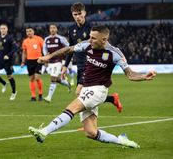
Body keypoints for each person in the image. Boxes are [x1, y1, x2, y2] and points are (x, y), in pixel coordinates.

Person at [29, 25, 157, 148]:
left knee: (72, 108)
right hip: (86, 88)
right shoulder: (87, 45)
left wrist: (144, 76)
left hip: (98, 90)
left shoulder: (114, 53)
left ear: (104, 40)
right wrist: (49, 57)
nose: (90, 40)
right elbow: (69, 49)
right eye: (90, 36)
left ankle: (44, 131)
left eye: (93, 38)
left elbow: (130, 74)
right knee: (91, 132)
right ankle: (122, 140)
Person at [61, 2, 123, 112]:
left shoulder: (92, 28)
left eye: (79, 14)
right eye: (75, 14)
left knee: (80, 93)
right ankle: (112, 99)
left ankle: (89, 122)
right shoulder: (71, 30)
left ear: (84, 13)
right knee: (84, 94)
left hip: (91, 65)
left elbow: (105, 45)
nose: (77, 17)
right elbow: (71, 49)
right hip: (80, 65)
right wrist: (65, 66)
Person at [43, 24, 71, 103]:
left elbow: (68, 46)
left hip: (58, 61)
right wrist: (46, 57)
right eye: (51, 28)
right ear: (49, 30)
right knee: (55, 79)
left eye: (54, 28)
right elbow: (44, 49)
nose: (52, 29)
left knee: (53, 79)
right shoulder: (46, 39)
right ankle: (67, 84)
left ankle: (49, 97)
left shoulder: (60, 38)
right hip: (50, 62)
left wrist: (64, 53)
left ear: (56, 29)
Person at [0, 24, 18, 100]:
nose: (2, 30)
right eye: (1, 28)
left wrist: (8, 55)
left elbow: (15, 47)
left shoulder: (10, 38)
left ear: (7, 29)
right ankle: (4, 83)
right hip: (0, 60)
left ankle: (13, 92)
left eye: (4, 28)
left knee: (10, 77)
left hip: (7, 61)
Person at [21, 27, 44, 101]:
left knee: (37, 78)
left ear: (33, 31)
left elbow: (44, 49)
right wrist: (23, 62)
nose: (28, 32)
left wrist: (45, 58)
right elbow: (24, 53)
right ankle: (33, 96)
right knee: (31, 79)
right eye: (27, 31)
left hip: (38, 60)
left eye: (30, 31)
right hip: (29, 61)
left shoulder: (39, 39)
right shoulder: (25, 41)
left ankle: (40, 94)